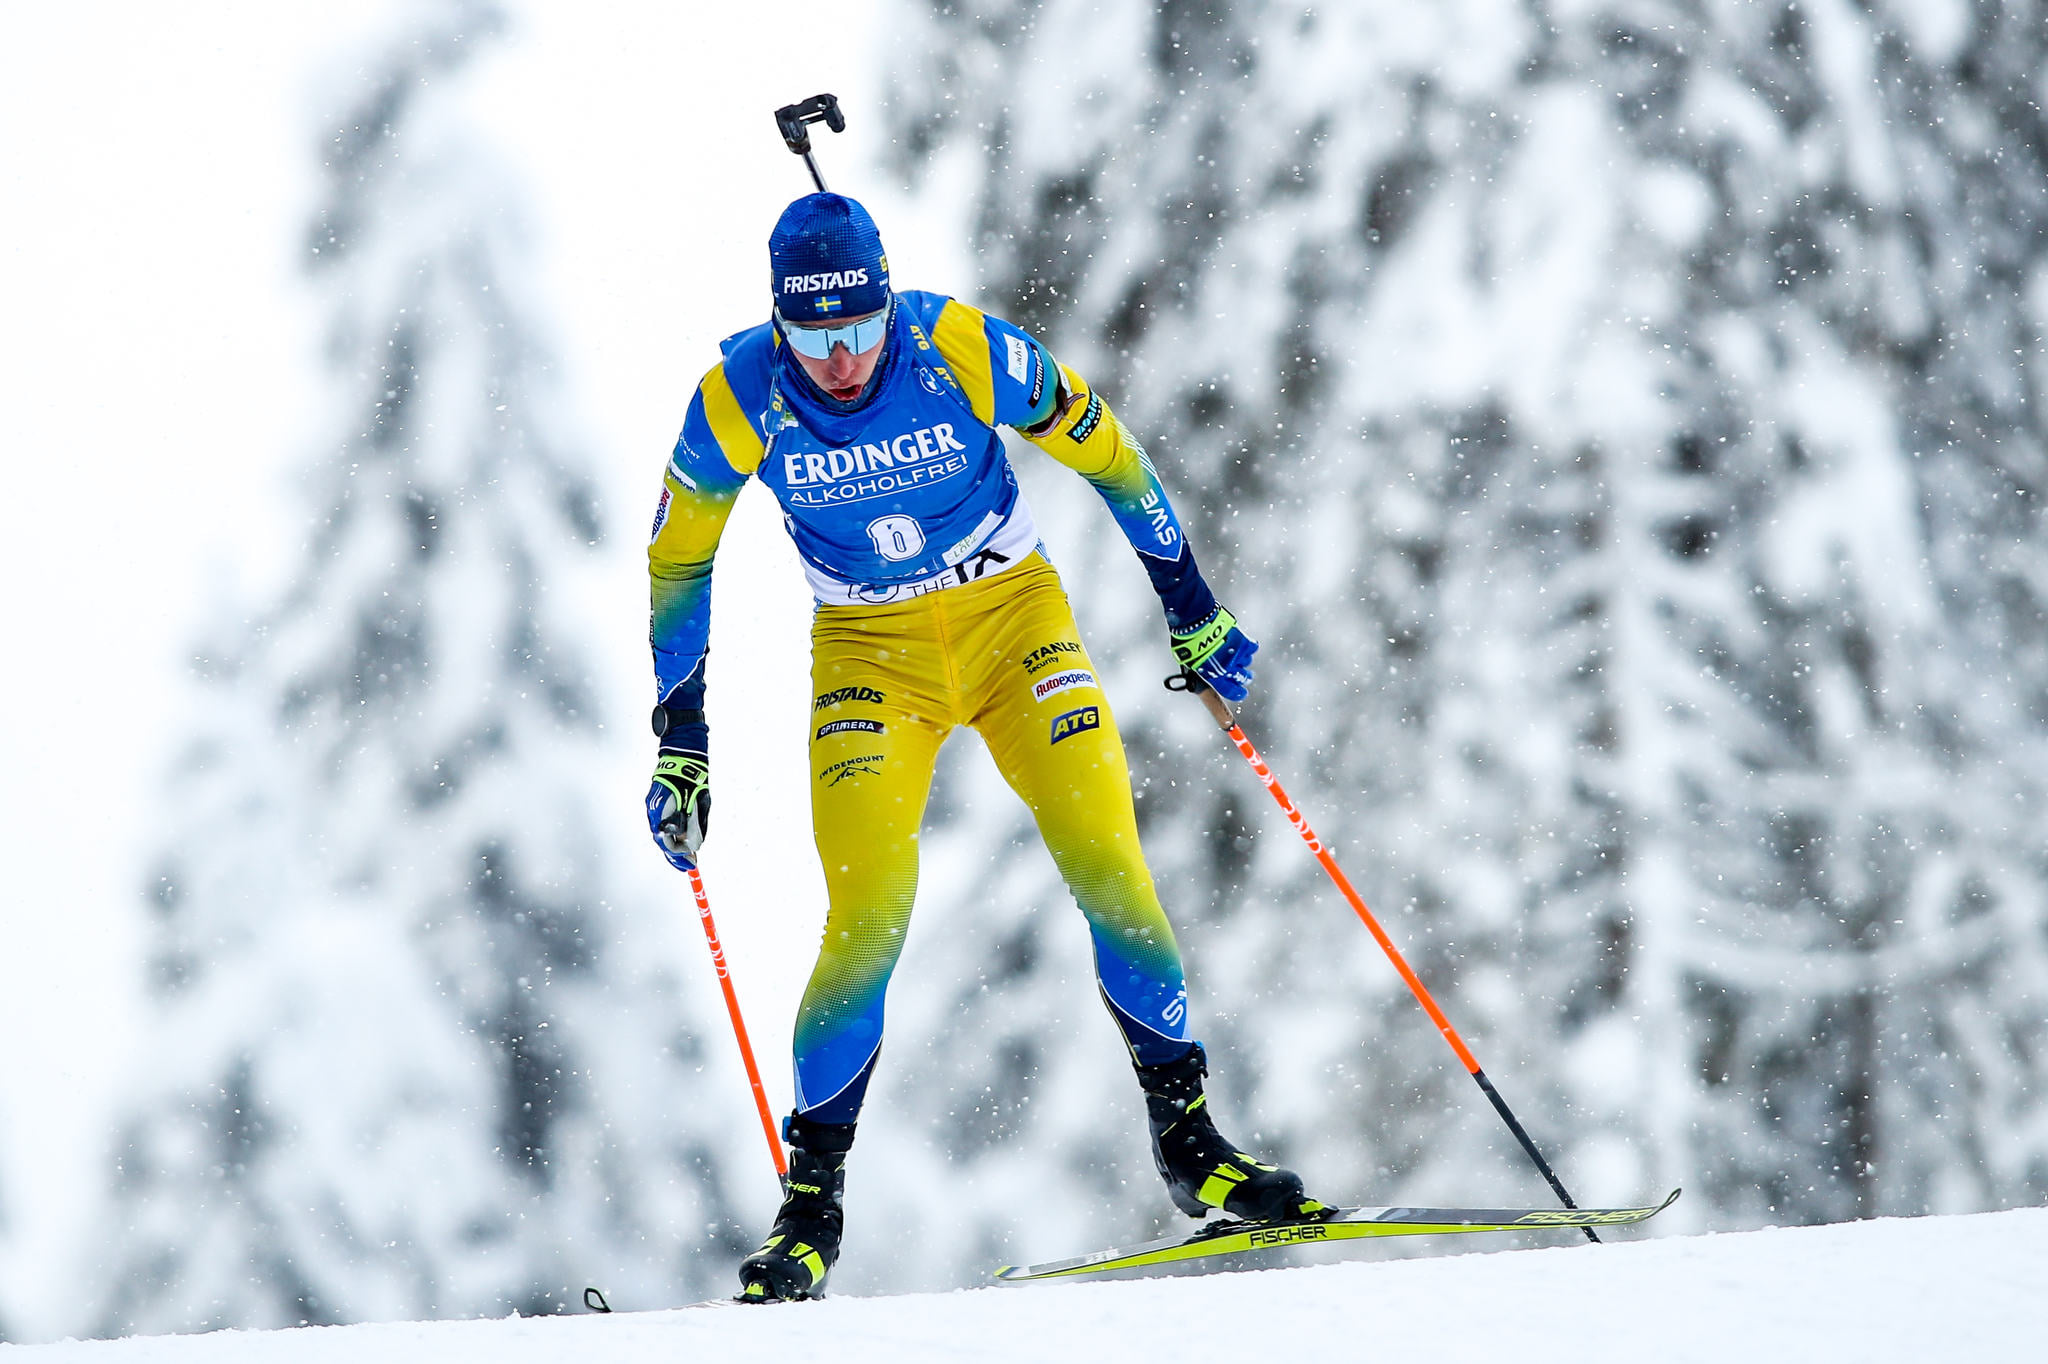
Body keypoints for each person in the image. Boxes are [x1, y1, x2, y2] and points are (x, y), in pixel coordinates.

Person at [645, 193, 1322, 1303]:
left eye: (859, 327)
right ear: (779, 325)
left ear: (886, 303)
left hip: (1015, 622)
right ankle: (809, 1210)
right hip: (869, 653)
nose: (843, 359)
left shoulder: (957, 348)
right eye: (813, 337)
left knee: (1112, 868)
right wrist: (682, 735)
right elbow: (676, 561)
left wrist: (1188, 602)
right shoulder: (736, 400)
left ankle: (1192, 1145)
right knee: (866, 918)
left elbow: (1107, 451)